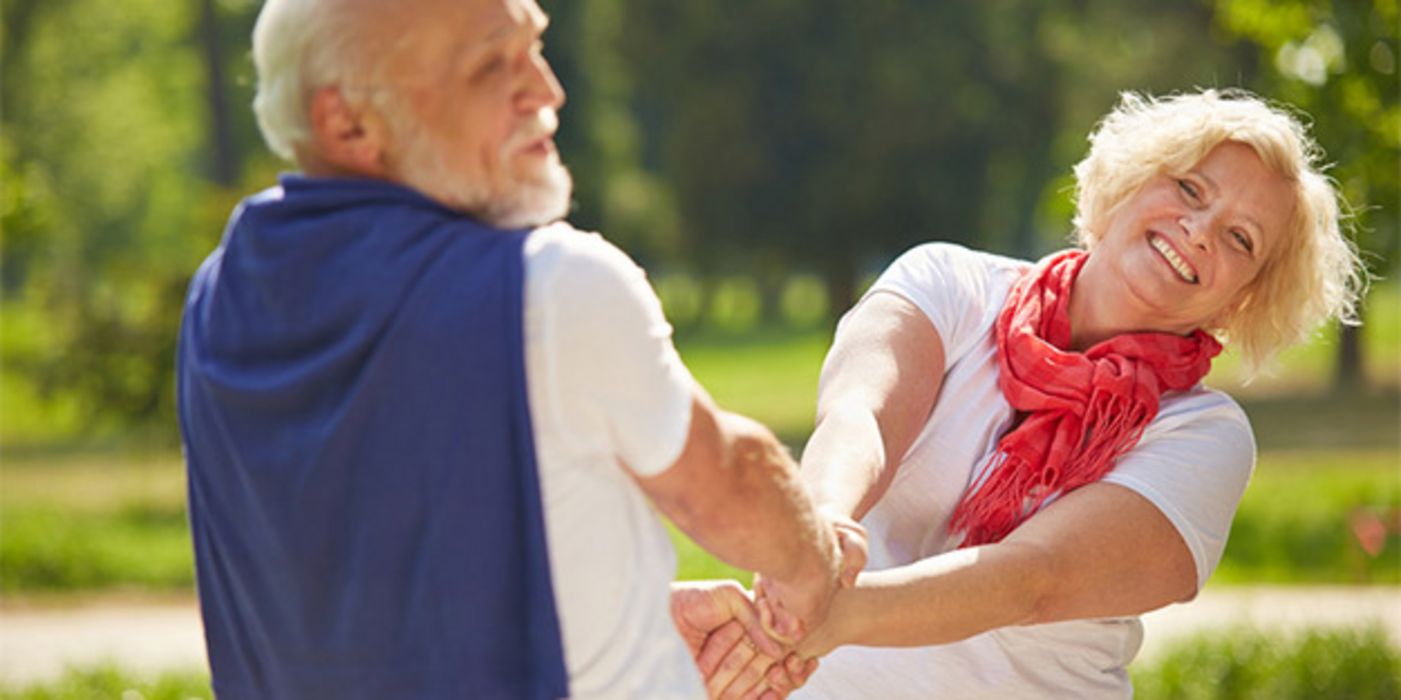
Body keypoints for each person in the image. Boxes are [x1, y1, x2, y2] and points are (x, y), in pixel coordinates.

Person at [175, 0, 862, 697]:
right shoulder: (549, 284)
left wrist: (631, 618)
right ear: (347, 121)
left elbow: (355, 580)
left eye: (533, 48)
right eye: (490, 65)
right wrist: (815, 565)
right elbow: (727, 481)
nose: (545, 90)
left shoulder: (218, 300)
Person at [691, 89, 1365, 699]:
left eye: (1239, 239)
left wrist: (818, 616)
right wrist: (818, 537)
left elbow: (1032, 580)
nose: (1198, 230)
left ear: (1243, 299)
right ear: (1130, 177)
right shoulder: (947, 283)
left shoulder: (1203, 435)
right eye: (1190, 188)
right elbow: (859, 416)